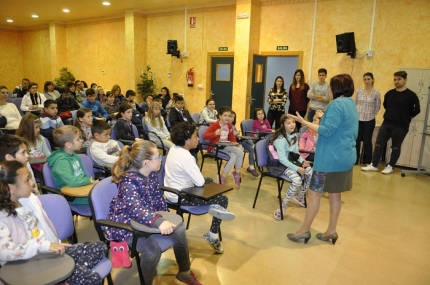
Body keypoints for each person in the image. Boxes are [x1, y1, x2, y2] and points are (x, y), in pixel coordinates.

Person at [106, 140, 202, 285]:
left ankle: (184, 273)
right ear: (147, 162)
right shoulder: (128, 181)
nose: (161, 159)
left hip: (148, 217)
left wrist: (165, 216)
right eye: (158, 157)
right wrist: (159, 221)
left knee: (180, 231)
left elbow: (157, 198)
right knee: (152, 251)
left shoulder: (150, 174)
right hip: (126, 223)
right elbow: (135, 209)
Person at [0, 160, 107, 285]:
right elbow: (3, 251)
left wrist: (50, 246)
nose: (32, 183)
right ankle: (66, 273)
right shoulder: (3, 217)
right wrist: (42, 246)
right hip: (34, 266)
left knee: (101, 246)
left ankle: (68, 272)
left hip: (48, 254)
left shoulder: (25, 201)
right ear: (11, 188)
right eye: (26, 180)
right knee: (93, 279)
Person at [286, 73, 358, 244]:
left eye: (331, 88)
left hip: (330, 159)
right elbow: (339, 127)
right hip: (345, 157)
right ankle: (331, 231)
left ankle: (304, 230)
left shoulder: (337, 104)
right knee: (335, 194)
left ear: (336, 89)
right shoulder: (350, 103)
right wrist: (322, 118)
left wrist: (304, 122)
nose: (329, 91)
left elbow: (326, 131)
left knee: (315, 194)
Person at [165, 122, 236, 254]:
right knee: (222, 199)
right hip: (182, 196)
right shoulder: (186, 157)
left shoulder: (174, 149)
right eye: (195, 136)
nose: (198, 139)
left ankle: (214, 208)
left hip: (172, 192)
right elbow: (199, 182)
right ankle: (212, 234)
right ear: (187, 140)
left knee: (209, 181)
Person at [361, 71, 420, 174]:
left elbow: (417, 110)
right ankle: (374, 165)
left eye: (399, 79)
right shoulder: (390, 93)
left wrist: (407, 116)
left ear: (405, 80)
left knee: (396, 147)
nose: (396, 81)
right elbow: (386, 106)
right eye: (395, 79)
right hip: (386, 123)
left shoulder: (411, 95)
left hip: (401, 126)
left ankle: (390, 166)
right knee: (379, 144)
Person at [269, 114, 313, 220]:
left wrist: (303, 162)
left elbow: (295, 153)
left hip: (289, 162)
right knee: (297, 180)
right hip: (279, 165)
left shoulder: (293, 136)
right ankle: (283, 205)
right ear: (282, 125)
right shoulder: (280, 139)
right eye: (288, 123)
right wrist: (297, 168)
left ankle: (300, 195)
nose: (292, 125)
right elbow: (282, 159)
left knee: (310, 172)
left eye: (293, 122)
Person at [47, 125, 99, 204]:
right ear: (68, 145)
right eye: (78, 139)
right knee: (103, 199)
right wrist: (89, 181)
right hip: (72, 197)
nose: (81, 141)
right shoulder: (61, 161)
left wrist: (90, 182)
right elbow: (72, 182)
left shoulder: (74, 155)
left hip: (81, 189)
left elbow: (82, 175)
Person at [203, 106, 244, 186]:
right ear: (220, 116)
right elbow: (205, 136)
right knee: (232, 157)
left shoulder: (229, 126)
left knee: (240, 152)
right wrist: (215, 133)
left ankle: (236, 173)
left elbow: (232, 138)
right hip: (215, 147)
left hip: (226, 146)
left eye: (229, 116)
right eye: (225, 115)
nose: (227, 118)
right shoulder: (214, 125)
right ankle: (223, 176)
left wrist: (236, 145)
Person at [355, 72, 381, 165]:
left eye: (369, 79)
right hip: (358, 120)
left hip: (369, 120)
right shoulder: (359, 92)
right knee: (357, 140)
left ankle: (367, 161)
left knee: (367, 141)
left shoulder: (376, 93)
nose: (367, 81)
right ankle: (355, 159)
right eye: (365, 79)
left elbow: (377, 107)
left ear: (373, 80)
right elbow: (355, 104)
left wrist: (370, 114)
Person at [230, 110, 259, 177]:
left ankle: (251, 167)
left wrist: (238, 136)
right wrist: (235, 134)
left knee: (248, 139)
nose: (232, 118)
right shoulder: (226, 126)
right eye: (230, 117)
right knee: (251, 147)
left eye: (233, 117)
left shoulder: (233, 126)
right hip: (234, 143)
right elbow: (230, 135)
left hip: (238, 141)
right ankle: (253, 146)